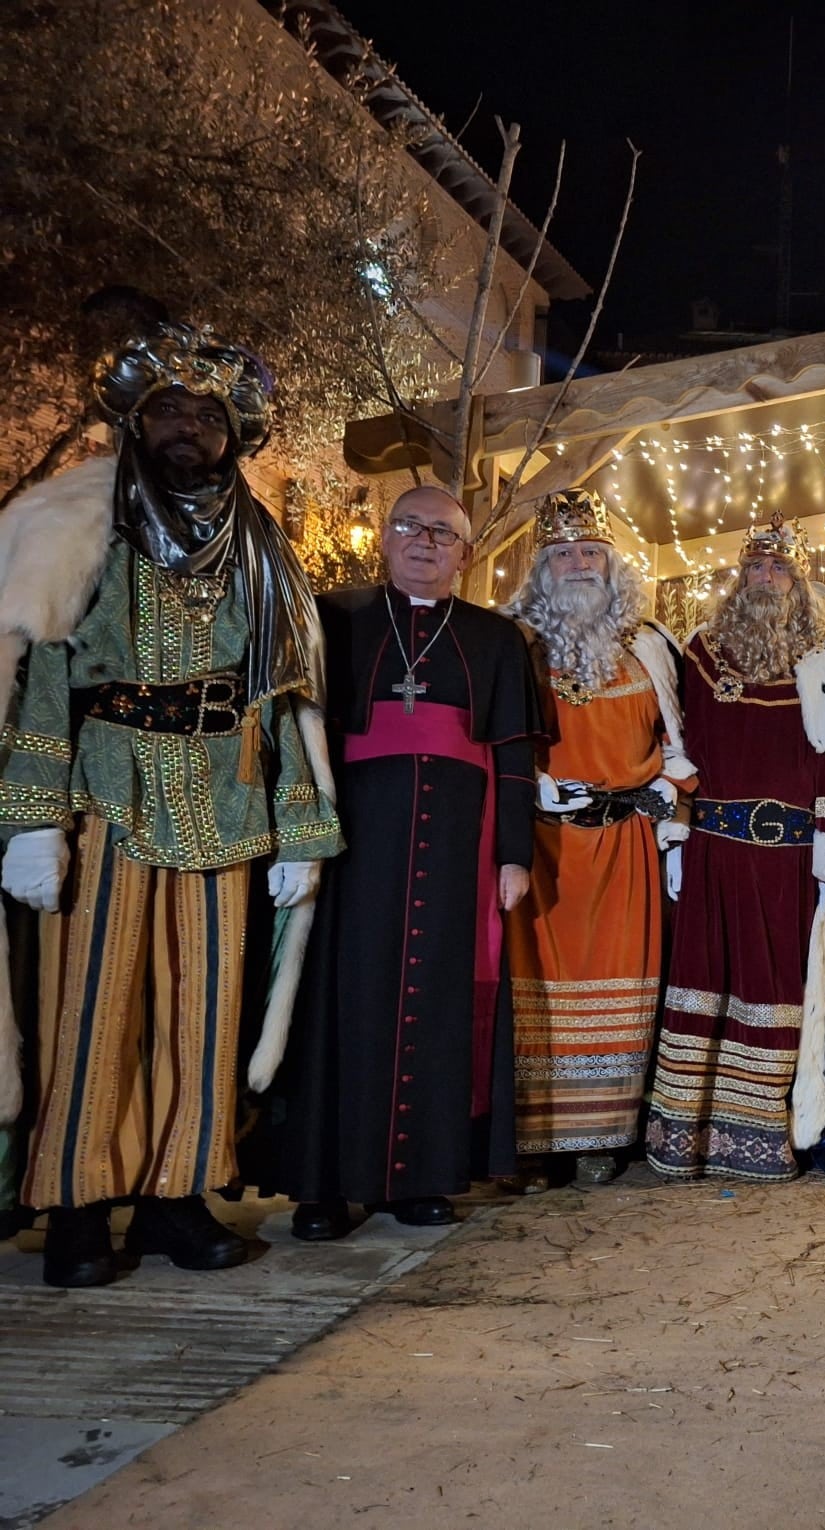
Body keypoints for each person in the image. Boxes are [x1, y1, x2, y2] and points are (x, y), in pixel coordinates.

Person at [0, 321, 338, 1287]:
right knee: (92, 1011)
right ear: (136, 422)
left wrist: (300, 830)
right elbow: (45, 684)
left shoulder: (264, 550)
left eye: (208, 414)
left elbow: (286, 698)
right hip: (106, 794)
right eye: (170, 411)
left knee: (205, 1014)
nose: (188, 427)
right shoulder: (80, 527)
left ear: (236, 435)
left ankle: (176, 1198)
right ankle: (73, 1205)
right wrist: (30, 820)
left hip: (227, 803)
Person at [251, 485, 541, 1240]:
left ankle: (421, 1179)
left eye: (442, 534)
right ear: (383, 539)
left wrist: (514, 856)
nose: (424, 542)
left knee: (439, 1009)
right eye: (409, 527)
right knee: (335, 1006)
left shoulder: (496, 639)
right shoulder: (333, 618)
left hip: (455, 856)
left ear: (466, 555)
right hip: (351, 849)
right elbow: (293, 729)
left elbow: (514, 758)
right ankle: (321, 1185)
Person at [644, 519, 825, 1184]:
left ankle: (760, 1139)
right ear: (739, 577)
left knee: (778, 994)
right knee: (705, 985)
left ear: (799, 581)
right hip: (714, 854)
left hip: (790, 862)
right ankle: (686, 1138)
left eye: (778, 570)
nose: (765, 580)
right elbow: (677, 744)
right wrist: (675, 833)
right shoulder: (701, 653)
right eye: (755, 568)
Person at [503, 490, 691, 1188]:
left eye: (591, 553)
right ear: (541, 568)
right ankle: (531, 1136)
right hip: (546, 849)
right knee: (540, 995)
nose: (578, 565)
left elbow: (680, 742)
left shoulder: (649, 645)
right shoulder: (513, 641)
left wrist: (674, 807)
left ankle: (603, 1136)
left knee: (623, 991)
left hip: (626, 849)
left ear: (612, 566)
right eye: (563, 555)